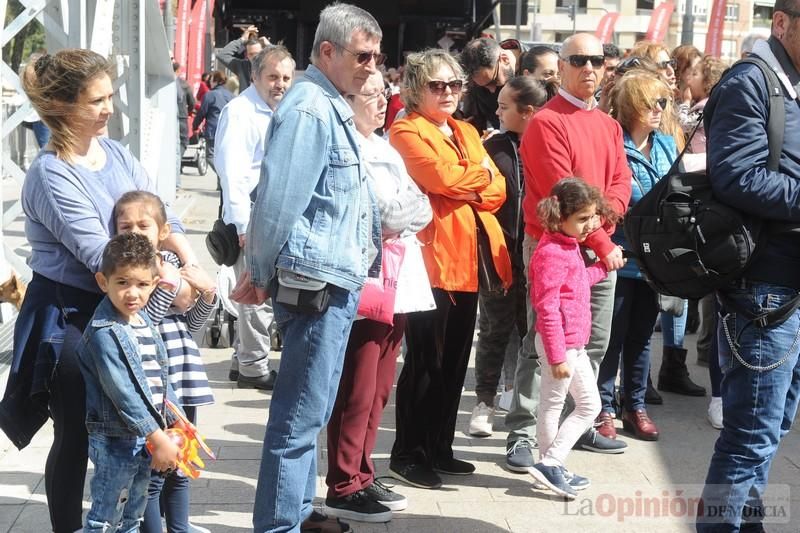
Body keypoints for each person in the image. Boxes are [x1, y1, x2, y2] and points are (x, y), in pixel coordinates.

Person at [0, 49, 196, 533]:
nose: (110, 108)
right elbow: (103, 254)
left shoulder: (116, 153)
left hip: (131, 302)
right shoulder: (51, 174)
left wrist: (192, 264)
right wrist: (170, 279)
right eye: (97, 100)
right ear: (65, 106)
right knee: (77, 437)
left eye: (110, 96)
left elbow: (158, 214)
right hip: (74, 315)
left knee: (144, 427)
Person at [247, 4, 384, 532]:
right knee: (298, 416)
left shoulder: (328, 102)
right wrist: (257, 273)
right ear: (327, 51)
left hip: (332, 278)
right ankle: (280, 524)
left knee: (310, 410)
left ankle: (300, 513)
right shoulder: (309, 108)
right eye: (362, 55)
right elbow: (278, 201)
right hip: (316, 283)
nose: (371, 66)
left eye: (376, 55)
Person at [505, 33, 631, 473]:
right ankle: (522, 432)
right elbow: (564, 189)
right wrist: (603, 240)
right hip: (554, 245)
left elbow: (621, 183)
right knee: (544, 340)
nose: (590, 67)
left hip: (598, 247)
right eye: (579, 59)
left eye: (597, 59)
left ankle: (572, 425)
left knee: (592, 342)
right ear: (561, 66)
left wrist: (603, 228)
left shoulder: (609, 124)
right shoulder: (546, 121)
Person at [388, 48, 512, 489]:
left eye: (454, 85)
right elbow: (439, 179)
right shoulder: (406, 129)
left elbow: (498, 189)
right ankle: (409, 452)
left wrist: (469, 178)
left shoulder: (465, 130)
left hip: (469, 259)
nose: (447, 93)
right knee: (426, 360)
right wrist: (474, 177)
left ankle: (439, 446)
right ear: (416, 89)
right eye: (437, 85)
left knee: (457, 361)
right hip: (432, 259)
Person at [698, 3, 800, 528]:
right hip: (763, 292)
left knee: (773, 424)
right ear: (781, 22)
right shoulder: (751, 82)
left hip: (787, 290)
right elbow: (737, 176)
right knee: (748, 436)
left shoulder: (791, 83)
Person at [324, 70, 433, 523]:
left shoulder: (385, 147)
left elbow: (420, 207)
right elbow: (386, 213)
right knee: (358, 385)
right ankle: (344, 481)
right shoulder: (346, 146)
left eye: (381, 95)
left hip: (401, 276)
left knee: (380, 387)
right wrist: (403, 211)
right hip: (367, 279)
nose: (380, 102)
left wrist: (404, 212)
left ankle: (365, 473)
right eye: (369, 95)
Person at [113, 191, 218, 533]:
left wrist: (208, 295)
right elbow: (147, 323)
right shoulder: (128, 277)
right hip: (156, 389)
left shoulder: (167, 267)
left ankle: (181, 527)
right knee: (155, 474)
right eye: (125, 225)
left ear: (162, 231)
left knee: (183, 464)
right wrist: (170, 280)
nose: (134, 231)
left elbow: (191, 325)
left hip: (183, 378)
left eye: (143, 225)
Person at [77, 233, 184, 532]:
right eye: (122, 282)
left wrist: (175, 418)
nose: (132, 293)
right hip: (116, 441)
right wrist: (158, 436)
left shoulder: (141, 319)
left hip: (145, 437)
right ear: (103, 282)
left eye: (142, 284)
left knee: (134, 512)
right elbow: (122, 392)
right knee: (105, 516)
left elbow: (159, 375)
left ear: (154, 282)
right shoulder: (104, 333)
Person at [469, 76, 554, 438]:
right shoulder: (493, 146)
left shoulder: (551, 144)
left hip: (540, 254)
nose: (497, 113)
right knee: (492, 330)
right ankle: (484, 402)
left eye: (505, 108)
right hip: (500, 253)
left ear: (529, 112)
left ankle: (524, 407)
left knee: (533, 334)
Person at [596, 70, 678, 443]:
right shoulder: (614, 143)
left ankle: (636, 404)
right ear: (632, 106)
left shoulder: (664, 144)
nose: (660, 108)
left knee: (643, 336)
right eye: (652, 102)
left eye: (663, 101)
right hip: (622, 252)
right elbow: (611, 196)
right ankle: (603, 407)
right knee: (612, 335)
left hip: (655, 258)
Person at [529, 178, 618, 499]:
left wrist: (605, 268)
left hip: (572, 345)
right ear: (558, 217)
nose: (588, 226)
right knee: (563, 406)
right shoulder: (552, 252)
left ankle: (551, 464)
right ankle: (550, 463)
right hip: (562, 347)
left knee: (586, 405)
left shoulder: (566, 246)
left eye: (591, 218)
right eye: (582, 219)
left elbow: (577, 283)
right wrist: (555, 357)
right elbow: (547, 308)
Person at [215, 45, 295, 391]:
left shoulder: (276, 110)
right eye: (273, 77)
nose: (280, 84)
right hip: (250, 217)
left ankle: (242, 359)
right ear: (256, 76)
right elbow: (231, 172)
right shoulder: (240, 112)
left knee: (255, 291)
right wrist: (242, 225)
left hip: (268, 215)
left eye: (286, 78)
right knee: (255, 294)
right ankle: (253, 367)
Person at [683, 55, 727, 430]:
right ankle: (719, 395)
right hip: (720, 231)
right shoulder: (712, 115)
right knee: (722, 319)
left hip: (758, 236)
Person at [460, 37, 518, 131]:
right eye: (483, 87)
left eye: (493, 81)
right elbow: (474, 120)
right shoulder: (475, 82)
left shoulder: (539, 67)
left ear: (504, 59)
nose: (492, 90)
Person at [193, 71, 234, 172]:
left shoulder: (209, 95)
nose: (209, 83)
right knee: (223, 157)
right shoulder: (231, 96)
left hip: (213, 130)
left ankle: (222, 175)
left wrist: (195, 126)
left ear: (215, 81)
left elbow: (202, 112)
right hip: (227, 130)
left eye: (211, 81)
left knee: (210, 156)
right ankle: (221, 185)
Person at [216, 25, 266, 92]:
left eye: (257, 53)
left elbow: (283, 59)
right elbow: (222, 55)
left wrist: (269, 45)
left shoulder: (271, 65)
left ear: (263, 53)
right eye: (251, 54)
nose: (254, 56)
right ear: (246, 55)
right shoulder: (241, 66)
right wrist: (242, 40)